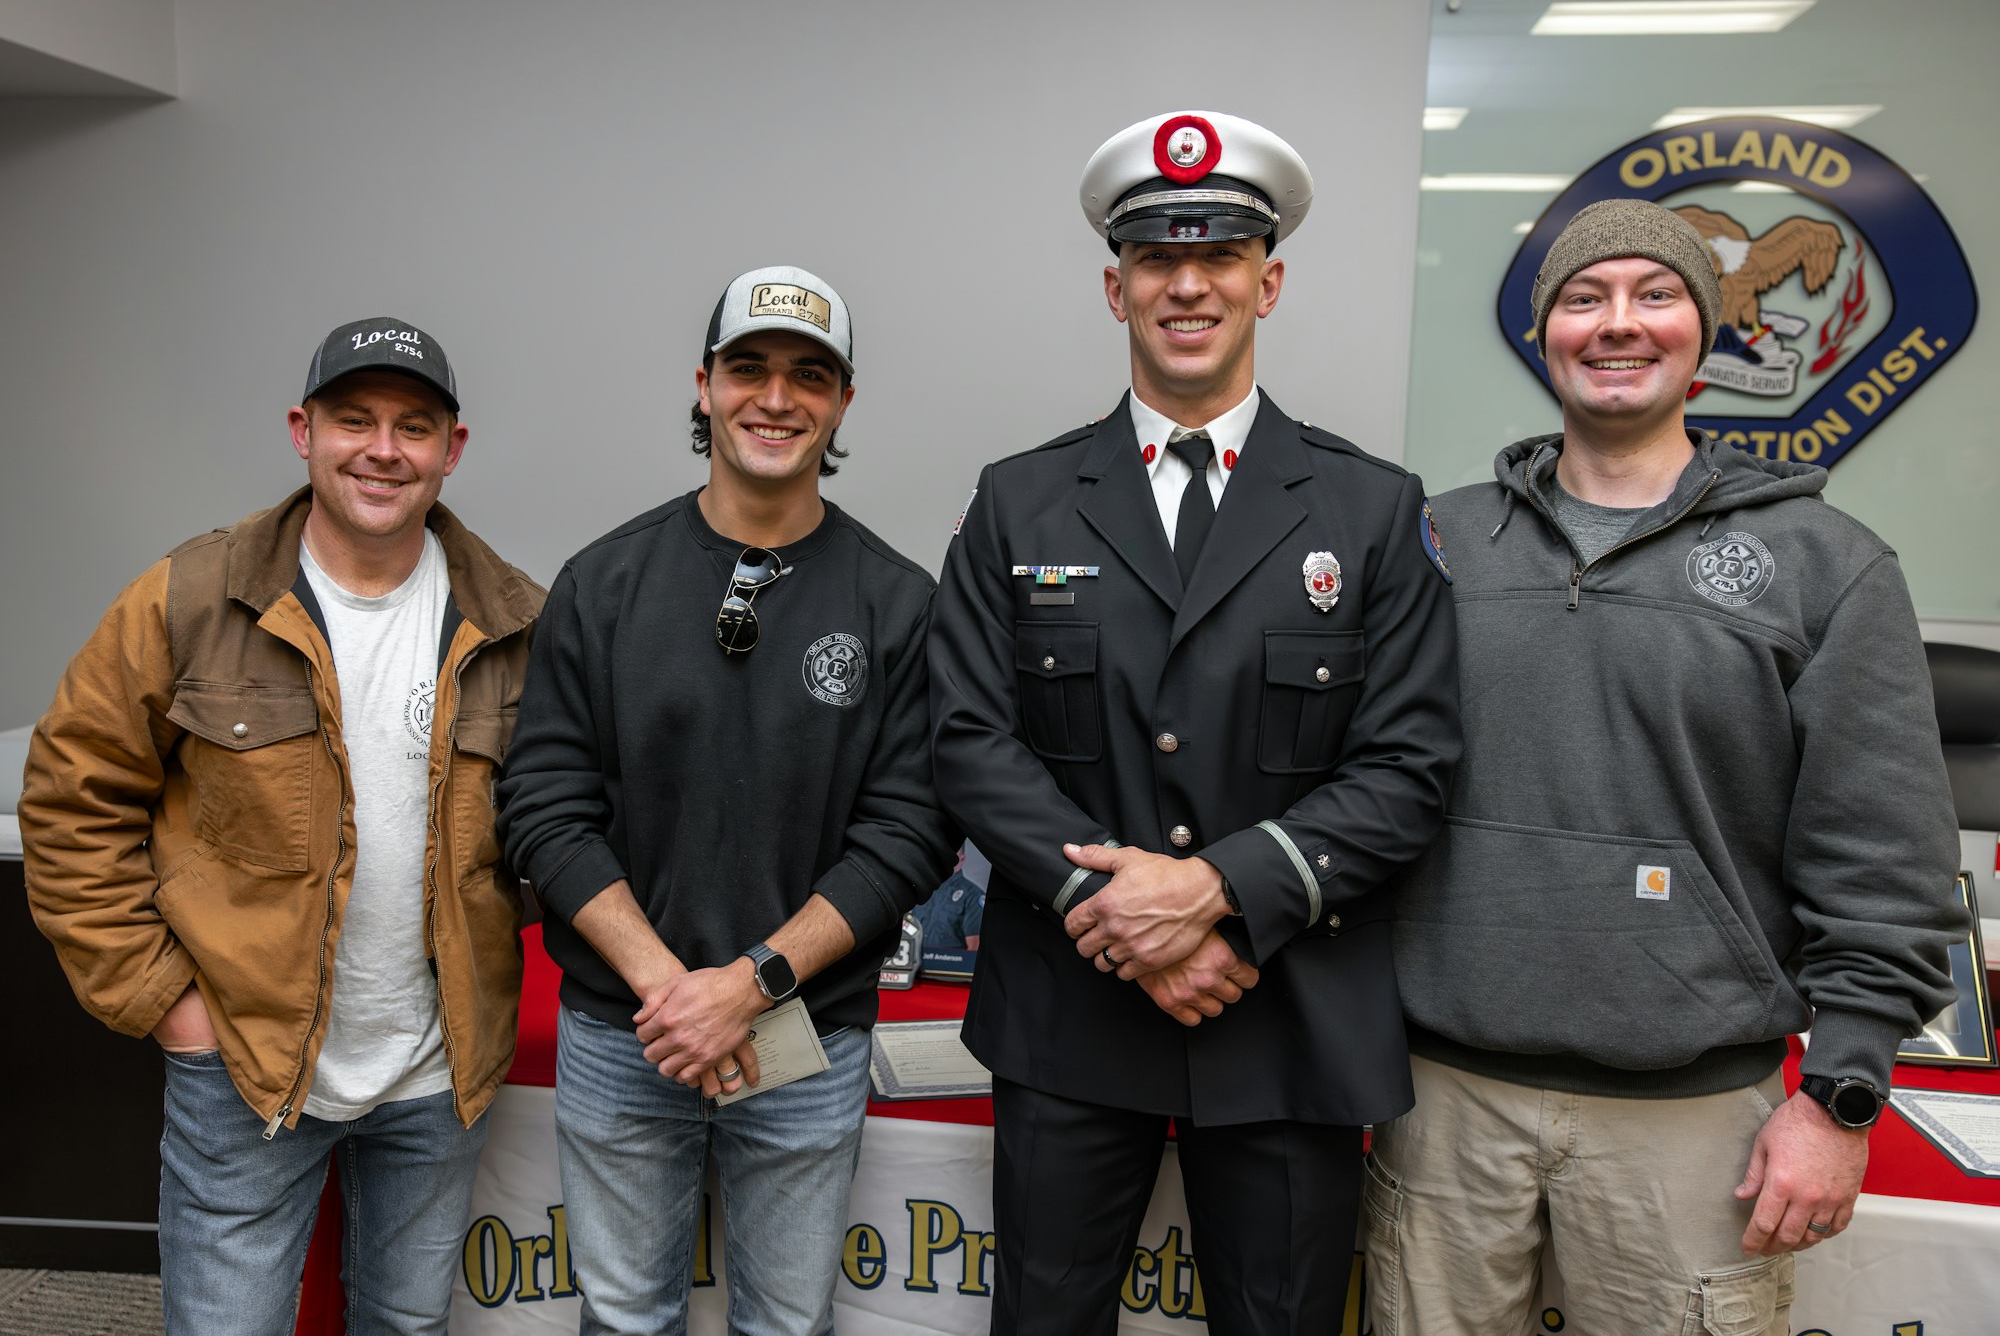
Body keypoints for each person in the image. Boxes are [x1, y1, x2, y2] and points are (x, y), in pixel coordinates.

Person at [1369, 199, 1969, 1335]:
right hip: (1439, 1104)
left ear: (1704, 336)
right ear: (1544, 333)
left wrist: (1840, 1101)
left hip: (1696, 1122)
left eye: (1655, 297)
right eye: (1583, 299)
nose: (1616, 324)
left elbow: (1882, 858)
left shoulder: (1822, 565)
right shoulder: (1432, 544)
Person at [928, 111, 1461, 1334]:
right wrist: (1113, 917)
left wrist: (1210, 895)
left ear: (1265, 282)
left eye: (1218, 255)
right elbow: (965, 735)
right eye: (1155, 260)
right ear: (1112, 286)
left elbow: (1410, 763)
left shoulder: (1371, 510)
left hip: (1282, 1014)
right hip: (1072, 1006)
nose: (1186, 284)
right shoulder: (1018, 502)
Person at [19, 318, 543, 1335]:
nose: (382, 449)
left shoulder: (519, 620)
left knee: (407, 1324)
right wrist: (166, 1001)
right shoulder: (188, 596)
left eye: (413, 426)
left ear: (453, 448)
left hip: (437, 1073)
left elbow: (562, 819)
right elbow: (70, 799)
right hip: (244, 1063)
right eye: (354, 420)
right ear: (303, 432)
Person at [497, 265, 955, 1336]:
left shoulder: (896, 605)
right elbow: (544, 807)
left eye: (809, 375)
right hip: (627, 1029)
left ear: (842, 402)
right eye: (747, 368)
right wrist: (675, 992)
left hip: (806, 1036)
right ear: (702, 385)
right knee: (622, 1320)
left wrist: (748, 987)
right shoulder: (604, 583)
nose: (775, 397)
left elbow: (909, 832)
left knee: (787, 1327)